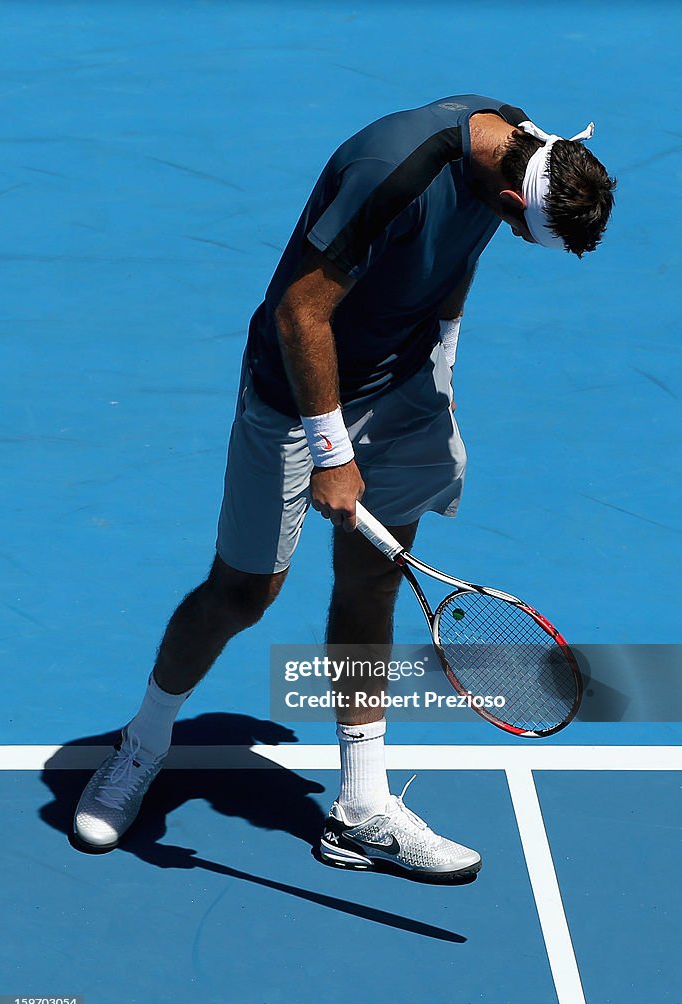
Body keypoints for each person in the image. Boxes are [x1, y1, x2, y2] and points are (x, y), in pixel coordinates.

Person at [73, 94, 616, 881]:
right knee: (244, 593)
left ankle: (361, 807)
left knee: (374, 580)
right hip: (296, 392)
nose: (513, 238)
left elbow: (458, 260)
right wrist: (330, 451)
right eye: (522, 232)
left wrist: (440, 369)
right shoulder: (387, 171)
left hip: (399, 382)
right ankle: (142, 743)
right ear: (509, 197)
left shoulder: (513, 140)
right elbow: (299, 311)